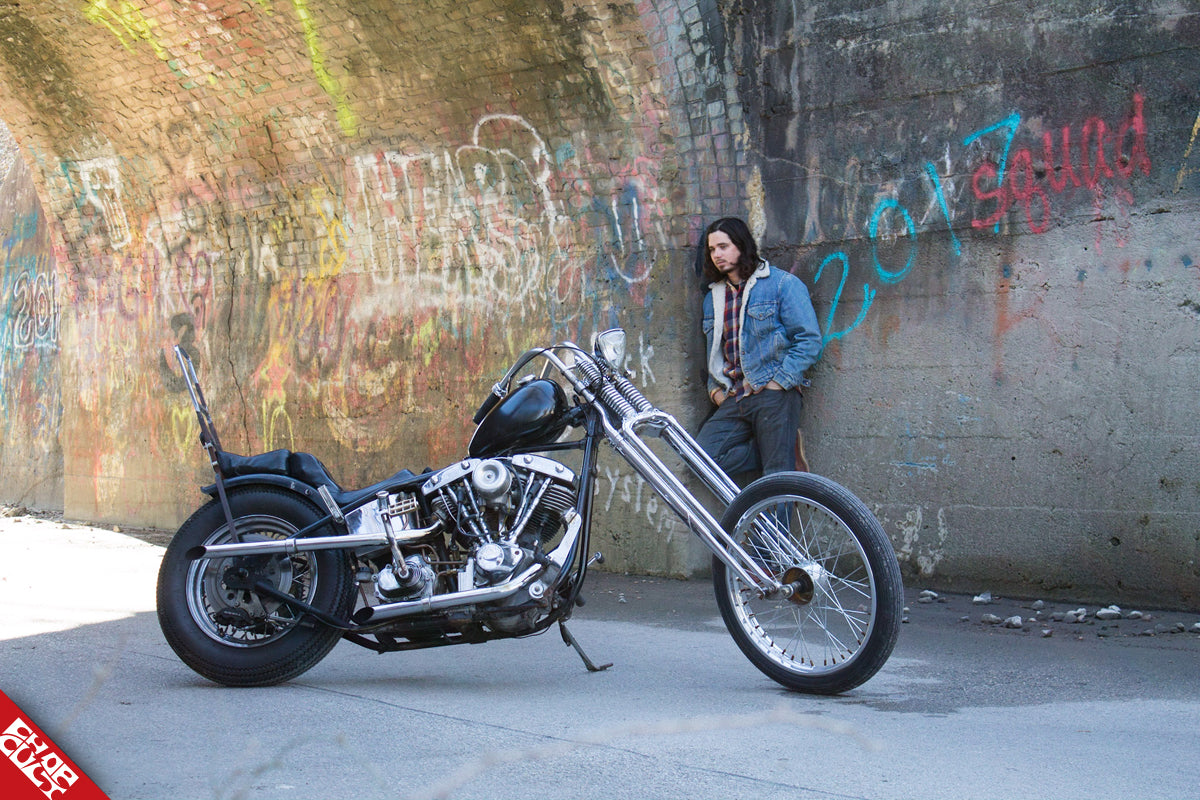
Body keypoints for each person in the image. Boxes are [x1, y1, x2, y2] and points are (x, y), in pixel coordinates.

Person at [695, 217, 822, 477]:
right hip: (734, 397)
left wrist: (779, 381)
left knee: (777, 478)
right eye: (712, 250)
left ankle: (780, 456)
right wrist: (715, 392)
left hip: (773, 392)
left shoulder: (781, 284)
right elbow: (715, 353)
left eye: (723, 246)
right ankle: (782, 450)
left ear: (741, 245)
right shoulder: (713, 298)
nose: (717, 254)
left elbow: (809, 340)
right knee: (700, 459)